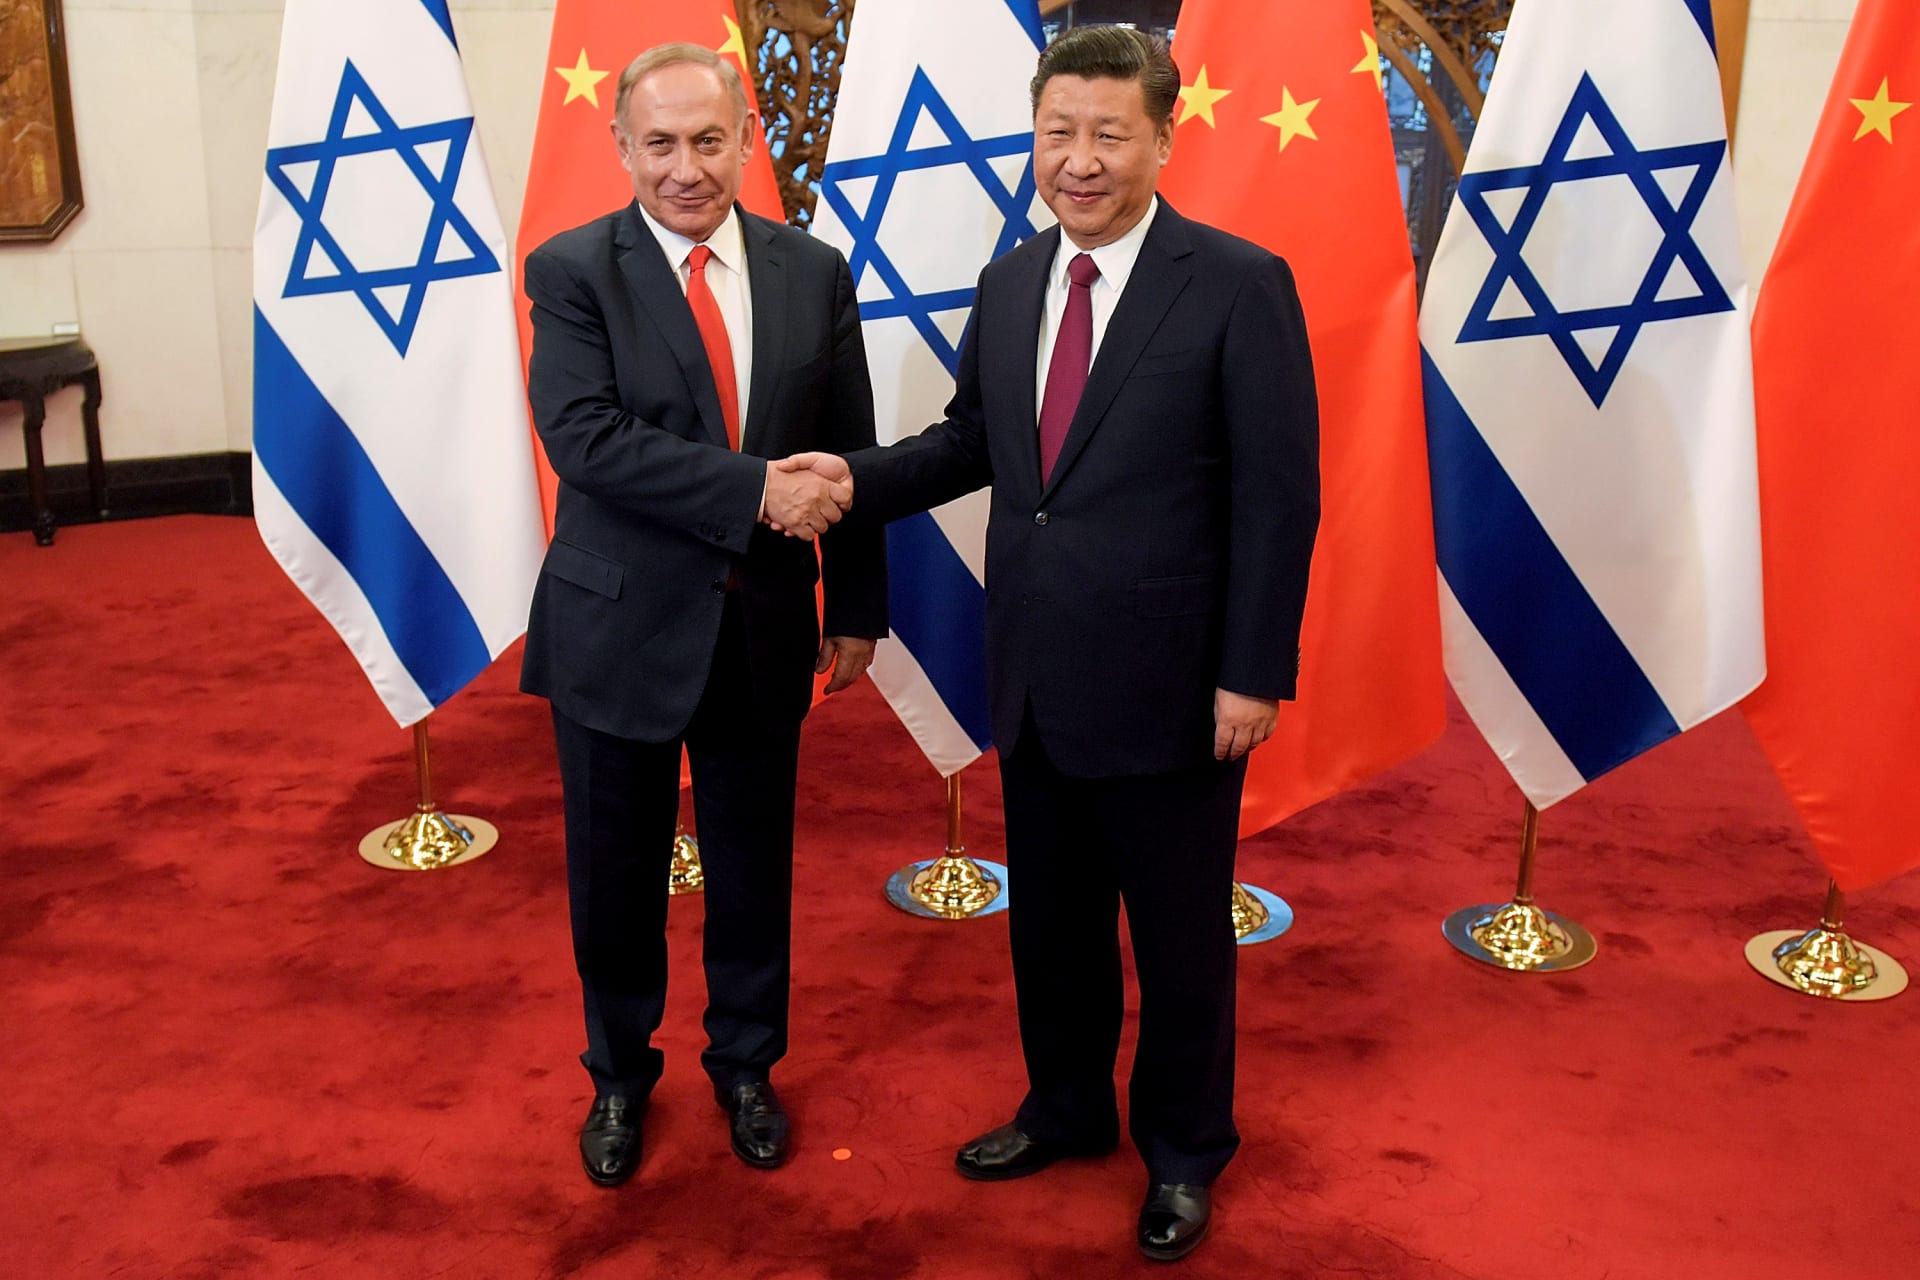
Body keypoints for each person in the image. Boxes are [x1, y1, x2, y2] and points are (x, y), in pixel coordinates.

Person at [778, 26, 1318, 1261]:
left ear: (1163, 138)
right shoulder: (1014, 277)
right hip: (1031, 664)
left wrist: (1252, 669)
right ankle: (1066, 1106)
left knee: (1180, 938)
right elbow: (975, 440)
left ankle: (1184, 1149)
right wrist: (853, 479)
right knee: (1054, 923)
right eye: (1057, 132)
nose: (1079, 160)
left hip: (1176, 681)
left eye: (1108, 134)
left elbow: (1279, 496)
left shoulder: (1239, 283)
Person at [520, 42, 886, 1188]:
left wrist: (857, 602)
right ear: (622, 147)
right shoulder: (573, 270)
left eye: (710, 140)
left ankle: (747, 1066)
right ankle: (619, 1076)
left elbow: (849, 446)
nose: (687, 167)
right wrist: (757, 491)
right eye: (662, 143)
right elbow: (585, 438)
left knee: (753, 869)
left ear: (746, 140)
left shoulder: (812, 271)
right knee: (614, 875)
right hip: (616, 626)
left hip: (761, 625)